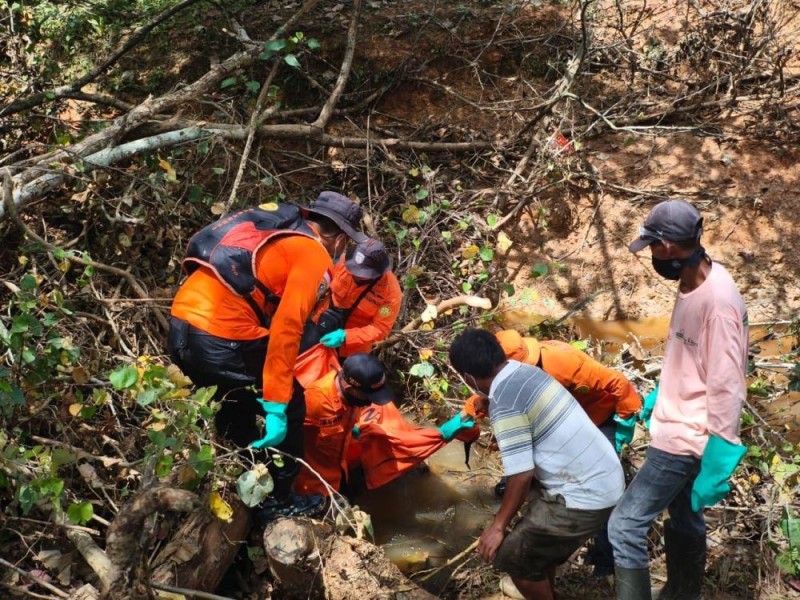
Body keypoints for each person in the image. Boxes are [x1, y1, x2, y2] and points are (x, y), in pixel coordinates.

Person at [168, 191, 365, 517]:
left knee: (235, 398)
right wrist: (277, 403)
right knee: (293, 402)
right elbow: (287, 329)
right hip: (221, 336)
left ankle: (240, 472)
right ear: (340, 238)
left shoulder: (280, 229)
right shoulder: (313, 253)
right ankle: (278, 501)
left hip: (180, 328)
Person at [609, 200, 748, 600]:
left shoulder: (718, 303)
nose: (650, 252)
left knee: (625, 526)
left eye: (652, 245)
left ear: (668, 246)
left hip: (684, 439)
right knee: (685, 519)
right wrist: (661, 392)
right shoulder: (695, 280)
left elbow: (726, 383)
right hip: (681, 418)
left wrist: (720, 451)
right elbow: (693, 356)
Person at [450, 328, 624, 600]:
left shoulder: (505, 404)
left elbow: (520, 476)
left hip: (585, 496)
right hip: (607, 475)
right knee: (535, 551)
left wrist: (497, 527)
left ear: (468, 376)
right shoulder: (523, 370)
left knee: (513, 558)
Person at [491, 328, 642, 579]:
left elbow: (617, 382)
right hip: (562, 425)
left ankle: (606, 562)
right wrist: (466, 416)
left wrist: (626, 417)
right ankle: (545, 544)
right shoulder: (516, 377)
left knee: (601, 491)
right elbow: (489, 397)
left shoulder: (564, 363)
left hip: (597, 420)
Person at [293, 353, 394, 496]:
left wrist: (352, 429)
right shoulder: (315, 401)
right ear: (349, 388)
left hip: (340, 472)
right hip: (313, 484)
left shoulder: (353, 393)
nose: (370, 403)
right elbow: (291, 436)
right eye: (368, 397)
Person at [312, 238, 402, 357]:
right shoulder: (345, 261)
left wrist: (346, 336)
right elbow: (323, 283)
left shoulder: (390, 292)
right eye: (354, 269)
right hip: (317, 324)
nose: (355, 274)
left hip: (349, 349)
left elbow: (380, 329)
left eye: (362, 273)